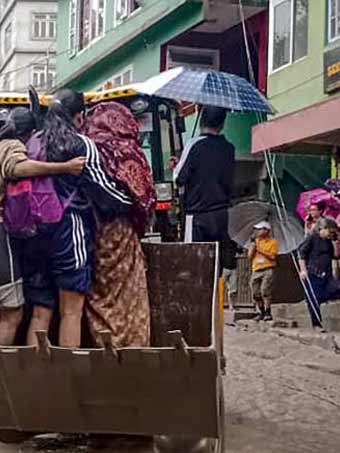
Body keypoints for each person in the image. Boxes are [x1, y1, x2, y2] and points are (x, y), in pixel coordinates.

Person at [22, 89, 134, 349]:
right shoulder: (80, 144)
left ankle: (29, 377)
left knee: (40, 311)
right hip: (67, 231)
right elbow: (104, 190)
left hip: (33, 233)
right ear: (80, 116)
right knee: (70, 312)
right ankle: (65, 379)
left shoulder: (34, 142)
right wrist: (133, 203)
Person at [0, 106, 85, 345]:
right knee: (12, 315)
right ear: (31, 131)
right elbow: (17, 167)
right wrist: (64, 167)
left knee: (11, 312)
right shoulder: (13, 146)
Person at [81, 101, 155, 348]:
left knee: (99, 294)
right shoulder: (131, 152)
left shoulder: (87, 148)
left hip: (90, 230)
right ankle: (132, 349)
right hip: (122, 233)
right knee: (129, 295)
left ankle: (103, 347)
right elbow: (145, 198)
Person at [170, 106, 236, 271]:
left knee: (195, 262)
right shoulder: (229, 148)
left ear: (200, 121)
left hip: (198, 215)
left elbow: (178, 179)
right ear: (222, 124)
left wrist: (176, 166)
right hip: (221, 215)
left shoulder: (194, 144)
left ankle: (199, 297)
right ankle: (217, 296)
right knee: (217, 265)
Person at [298, 217, 340, 331]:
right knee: (313, 299)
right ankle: (316, 324)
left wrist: (335, 243)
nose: (331, 234)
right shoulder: (312, 238)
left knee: (333, 291)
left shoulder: (328, 241)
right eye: (330, 232)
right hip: (313, 273)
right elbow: (301, 254)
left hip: (327, 274)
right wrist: (303, 271)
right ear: (322, 228)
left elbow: (335, 256)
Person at [248, 221, 279, 322]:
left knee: (265, 290)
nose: (258, 231)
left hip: (268, 268)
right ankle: (261, 312)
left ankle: (268, 312)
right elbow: (249, 256)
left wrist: (260, 250)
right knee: (255, 292)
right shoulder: (255, 241)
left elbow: (272, 256)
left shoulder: (273, 242)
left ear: (266, 230)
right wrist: (253, 247)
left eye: (260, 229)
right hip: (256, 269)